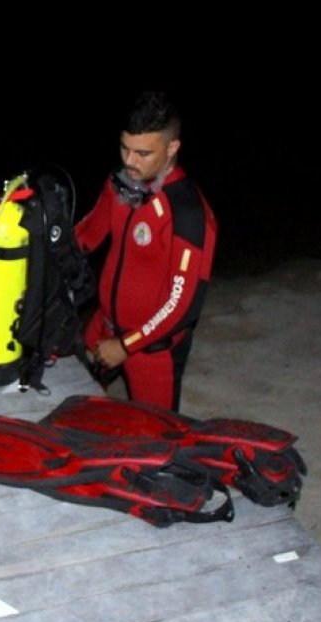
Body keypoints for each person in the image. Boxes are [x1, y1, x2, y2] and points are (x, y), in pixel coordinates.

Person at [74, 91, 217, 411]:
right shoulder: (119, 183)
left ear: (172, 148)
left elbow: (182, 305)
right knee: (74, 405)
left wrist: (126, 346)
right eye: (124, 148)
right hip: (104, 325)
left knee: (155, 438)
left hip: (152, 348)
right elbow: (87, 235)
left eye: (142, 153)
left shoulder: (187, 213)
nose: (129, 161)